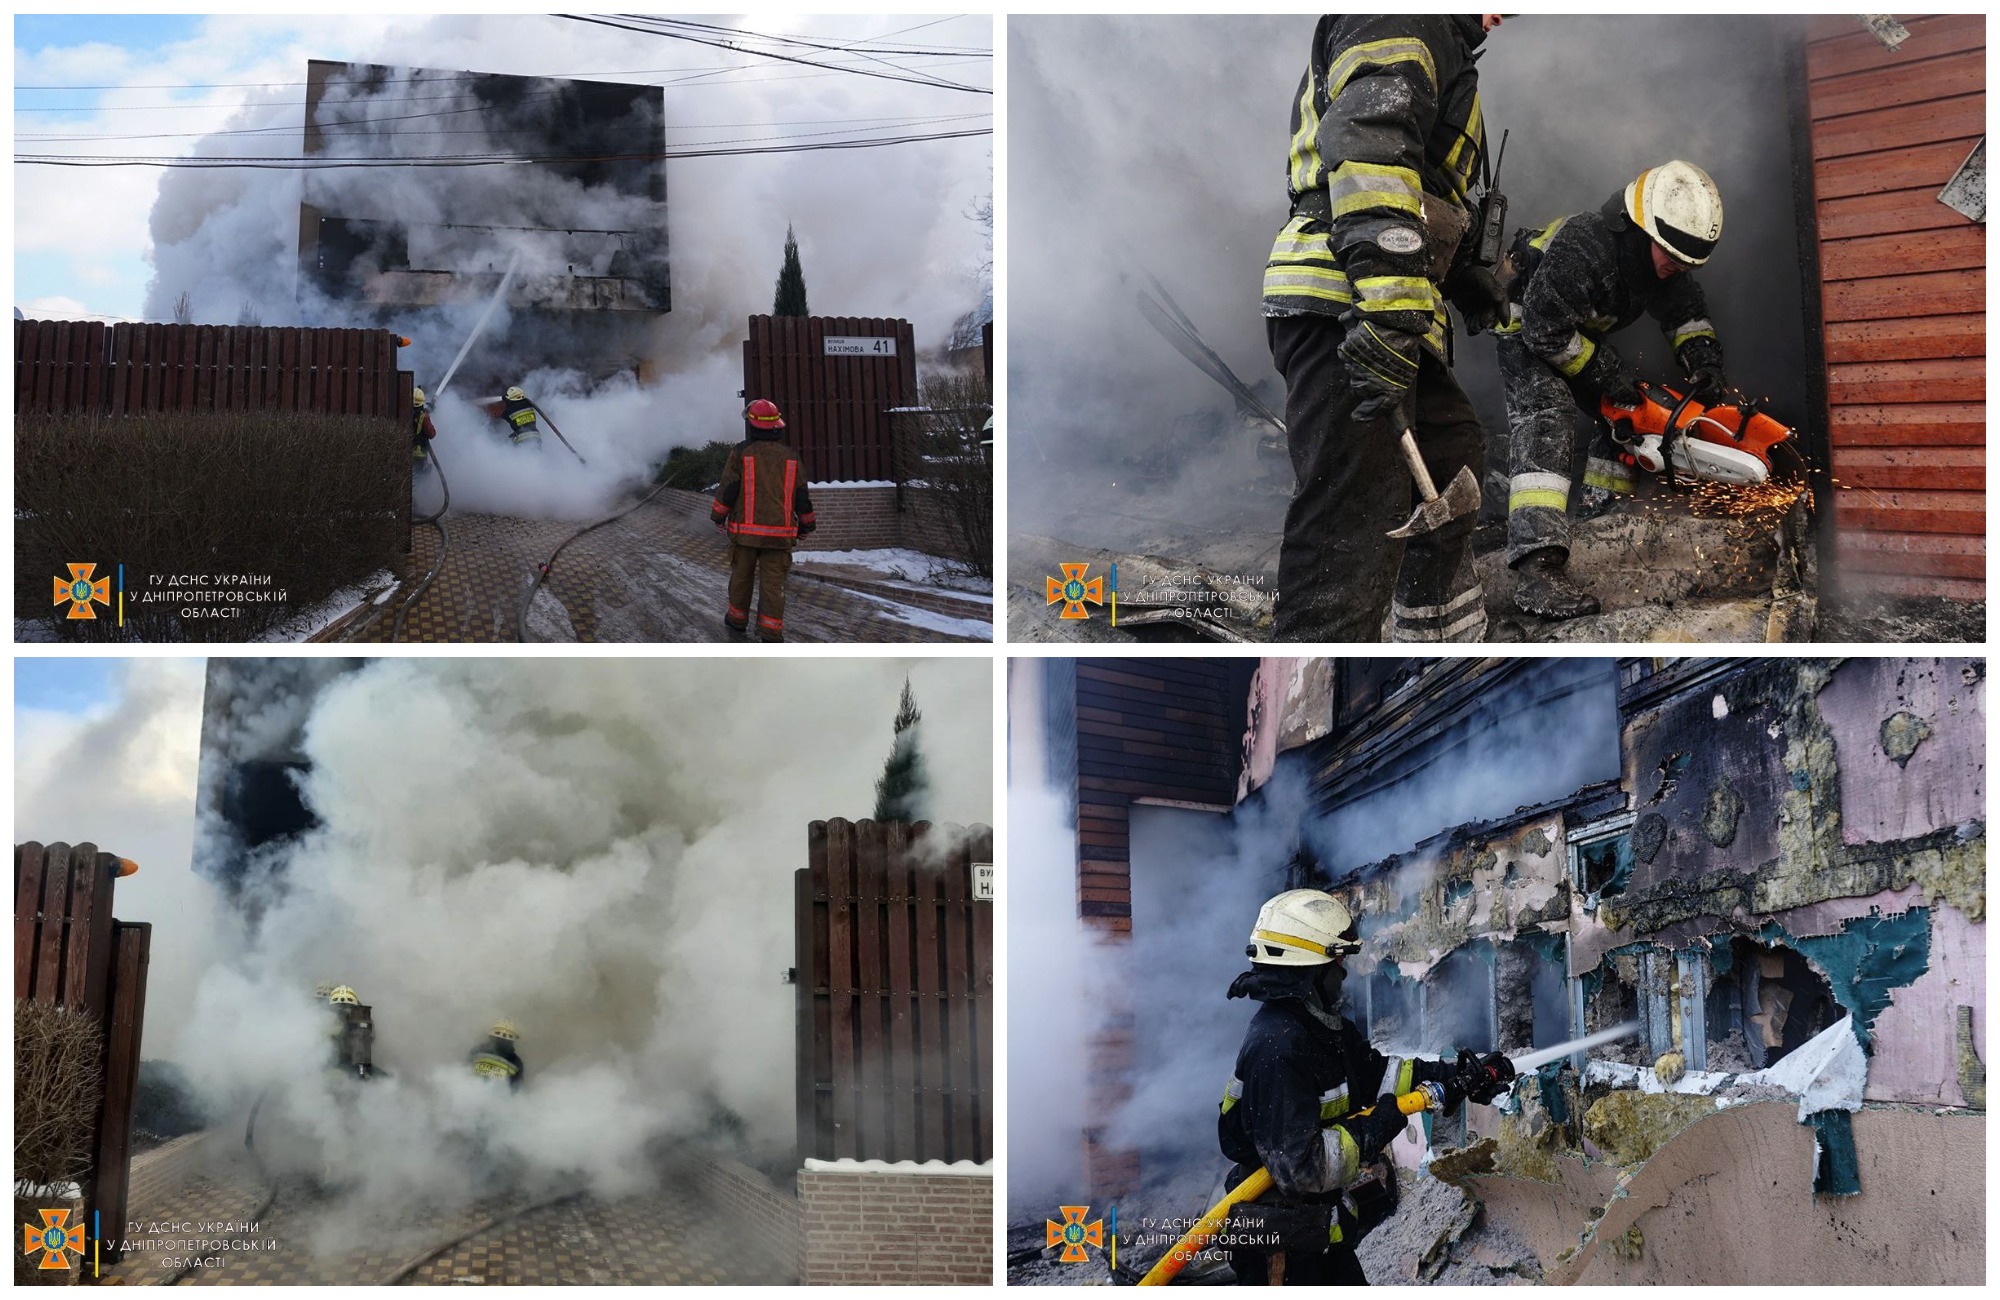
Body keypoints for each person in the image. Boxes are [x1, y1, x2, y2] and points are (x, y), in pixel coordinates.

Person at [1262, 15, 1508, 643]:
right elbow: (1370, 146)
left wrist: (1463, 275)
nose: (1508, 12)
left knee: (1454, 456)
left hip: (1383, 297)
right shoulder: (1404, 14)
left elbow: (1413, 184)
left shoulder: (1444, 42)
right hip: (1347, 300)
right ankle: (1323, 651)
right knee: (1352, 520)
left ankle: (1429, 646)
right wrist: (1392, 310)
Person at [1218, 890, 1513, 1285]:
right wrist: (1377, 1127)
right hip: (1283, 1252)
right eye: (1338, 960)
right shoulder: (1278, 1047)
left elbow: (1376, 1075)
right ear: (1309, 970)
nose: (1344, 972)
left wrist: (1451, 1077)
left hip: (1317, 1233)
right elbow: (1303, 1170)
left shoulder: (1319, 1026)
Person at [1494, 160, 1729, 619]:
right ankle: (1536, 568)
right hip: (1526, 327)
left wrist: (1703, 362)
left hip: (1571, 334)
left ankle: (1604, 524)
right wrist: (1602, 368)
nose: (1677, 267)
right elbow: (1543, 331)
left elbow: (1686, 314)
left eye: (1687, 261)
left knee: (1624, 414)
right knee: (1549, 413)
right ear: (1644, 230)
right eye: (1672, 255)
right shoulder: (1587, 243)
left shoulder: (1659, 266)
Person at [710, 399, 817, 642]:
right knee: (773, 585)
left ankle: (737, 621)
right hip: (779, 537)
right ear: (777, 426)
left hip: (745, 535)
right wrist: (806, 524)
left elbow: (728, 488)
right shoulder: (791, 457)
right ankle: (770, 632)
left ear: (751, 424)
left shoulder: (741, 453)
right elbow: (801, 495)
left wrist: (718, 516)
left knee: (741, 578)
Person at [469, 1020, 525, 1092]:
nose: (502, 1041)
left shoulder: (477, 1051)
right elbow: (516, 1089)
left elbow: (465, 1071)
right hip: (496, 1100)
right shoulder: (516, 1061)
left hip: (473, 1095)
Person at [411, 386, 439, 474]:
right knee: (420, 478)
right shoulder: (424, 417)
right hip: (419, 455)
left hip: (406, 453)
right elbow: (432, 434)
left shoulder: (405, 412)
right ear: (422, 402)